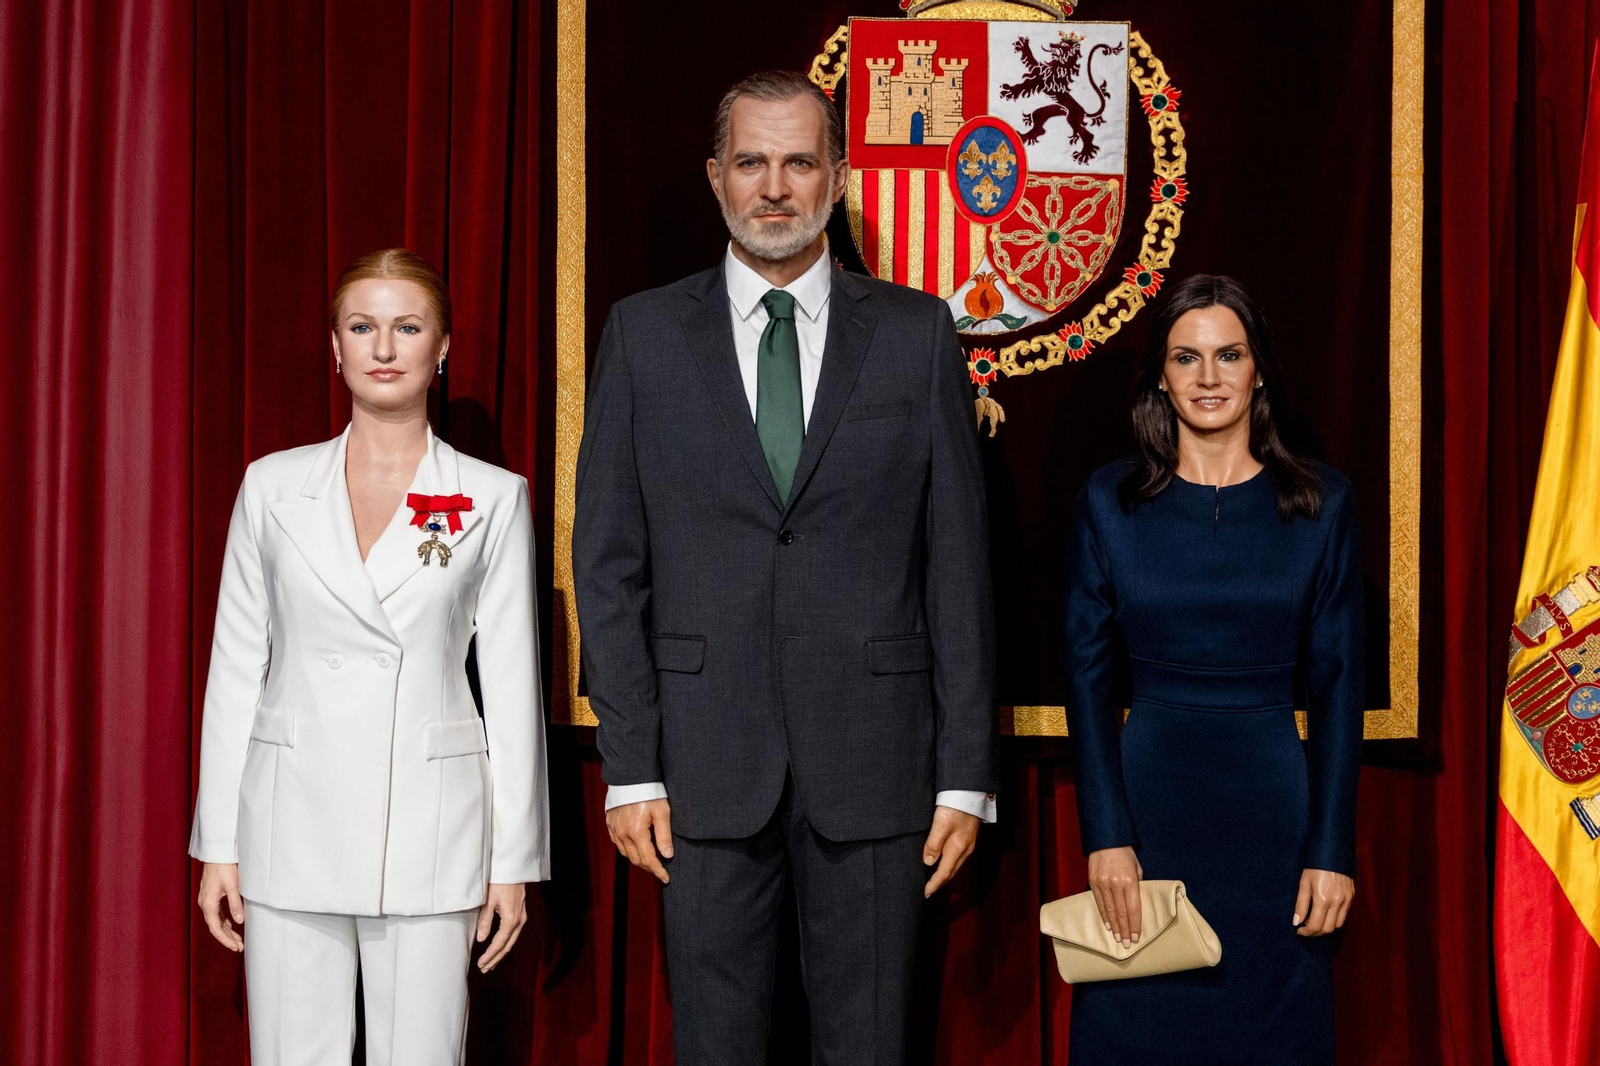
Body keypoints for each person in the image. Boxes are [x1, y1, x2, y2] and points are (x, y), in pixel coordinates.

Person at [573, 70, 998, 1065]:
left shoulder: (915, 332)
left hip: (881, 771)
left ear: (838, 178)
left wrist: (966, 775)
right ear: (715, 177)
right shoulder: (640, 335)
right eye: (753, 162)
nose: (776, 186)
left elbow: (958, 569)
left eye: (799, 161)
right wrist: (628, 764)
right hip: (699, 769)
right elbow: (608, 562)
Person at [188, 249, 549, 1066]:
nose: (384, 347)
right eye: (363, 326)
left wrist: (513, 862)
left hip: (432, 824)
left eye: (407, 326)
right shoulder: (271, 488)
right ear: (335, 345)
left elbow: (513, 689)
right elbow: (235, 671)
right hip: (289, 824)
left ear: (442, 345)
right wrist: (219, 843)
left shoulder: (494, 497)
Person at [1063, 274, 1362, 1065]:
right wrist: (1106, 835)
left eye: (1228, 356)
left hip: (1274, 814)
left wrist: (1331, 849)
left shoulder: (1322, 504)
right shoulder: (1109, 501)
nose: (1208, 378)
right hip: (1148, 807)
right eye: (1186, 358)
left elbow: (1338, 687)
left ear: (1257, 368)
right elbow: (1087, 682)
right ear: (1160, 375)